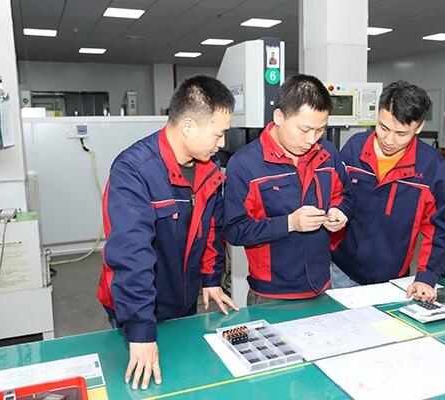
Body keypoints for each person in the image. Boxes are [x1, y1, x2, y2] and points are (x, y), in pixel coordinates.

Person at [97, 75, 239, 391]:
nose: (222, 144)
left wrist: (211, 278)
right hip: (137, 306)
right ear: (188, 127)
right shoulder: (134, 171)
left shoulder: (209, 168)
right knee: (143, 386)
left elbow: (211, 228)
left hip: (183, 298)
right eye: (219, 134)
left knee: (184, 379)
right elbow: (131, 255)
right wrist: (140, 331)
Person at [223, 74, 352, 304]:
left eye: (320, 130)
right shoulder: (245, 164)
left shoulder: (328, 154)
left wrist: (339, 211)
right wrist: (290, 223)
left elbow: (345, 196)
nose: (312, 139)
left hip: (322, 283)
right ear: (279, 117)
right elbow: (234, 230)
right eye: (305, 129)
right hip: (271, 294)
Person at [331, 80, 445, 302]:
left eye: (401, 133)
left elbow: (437, 228)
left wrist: (427, 275)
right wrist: (335, 211)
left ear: (419, 127)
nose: (389, 140)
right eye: (383, 127)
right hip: (342, 270)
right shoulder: (355, 148)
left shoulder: (430, 165)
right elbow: (335, 193)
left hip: (392, 279)